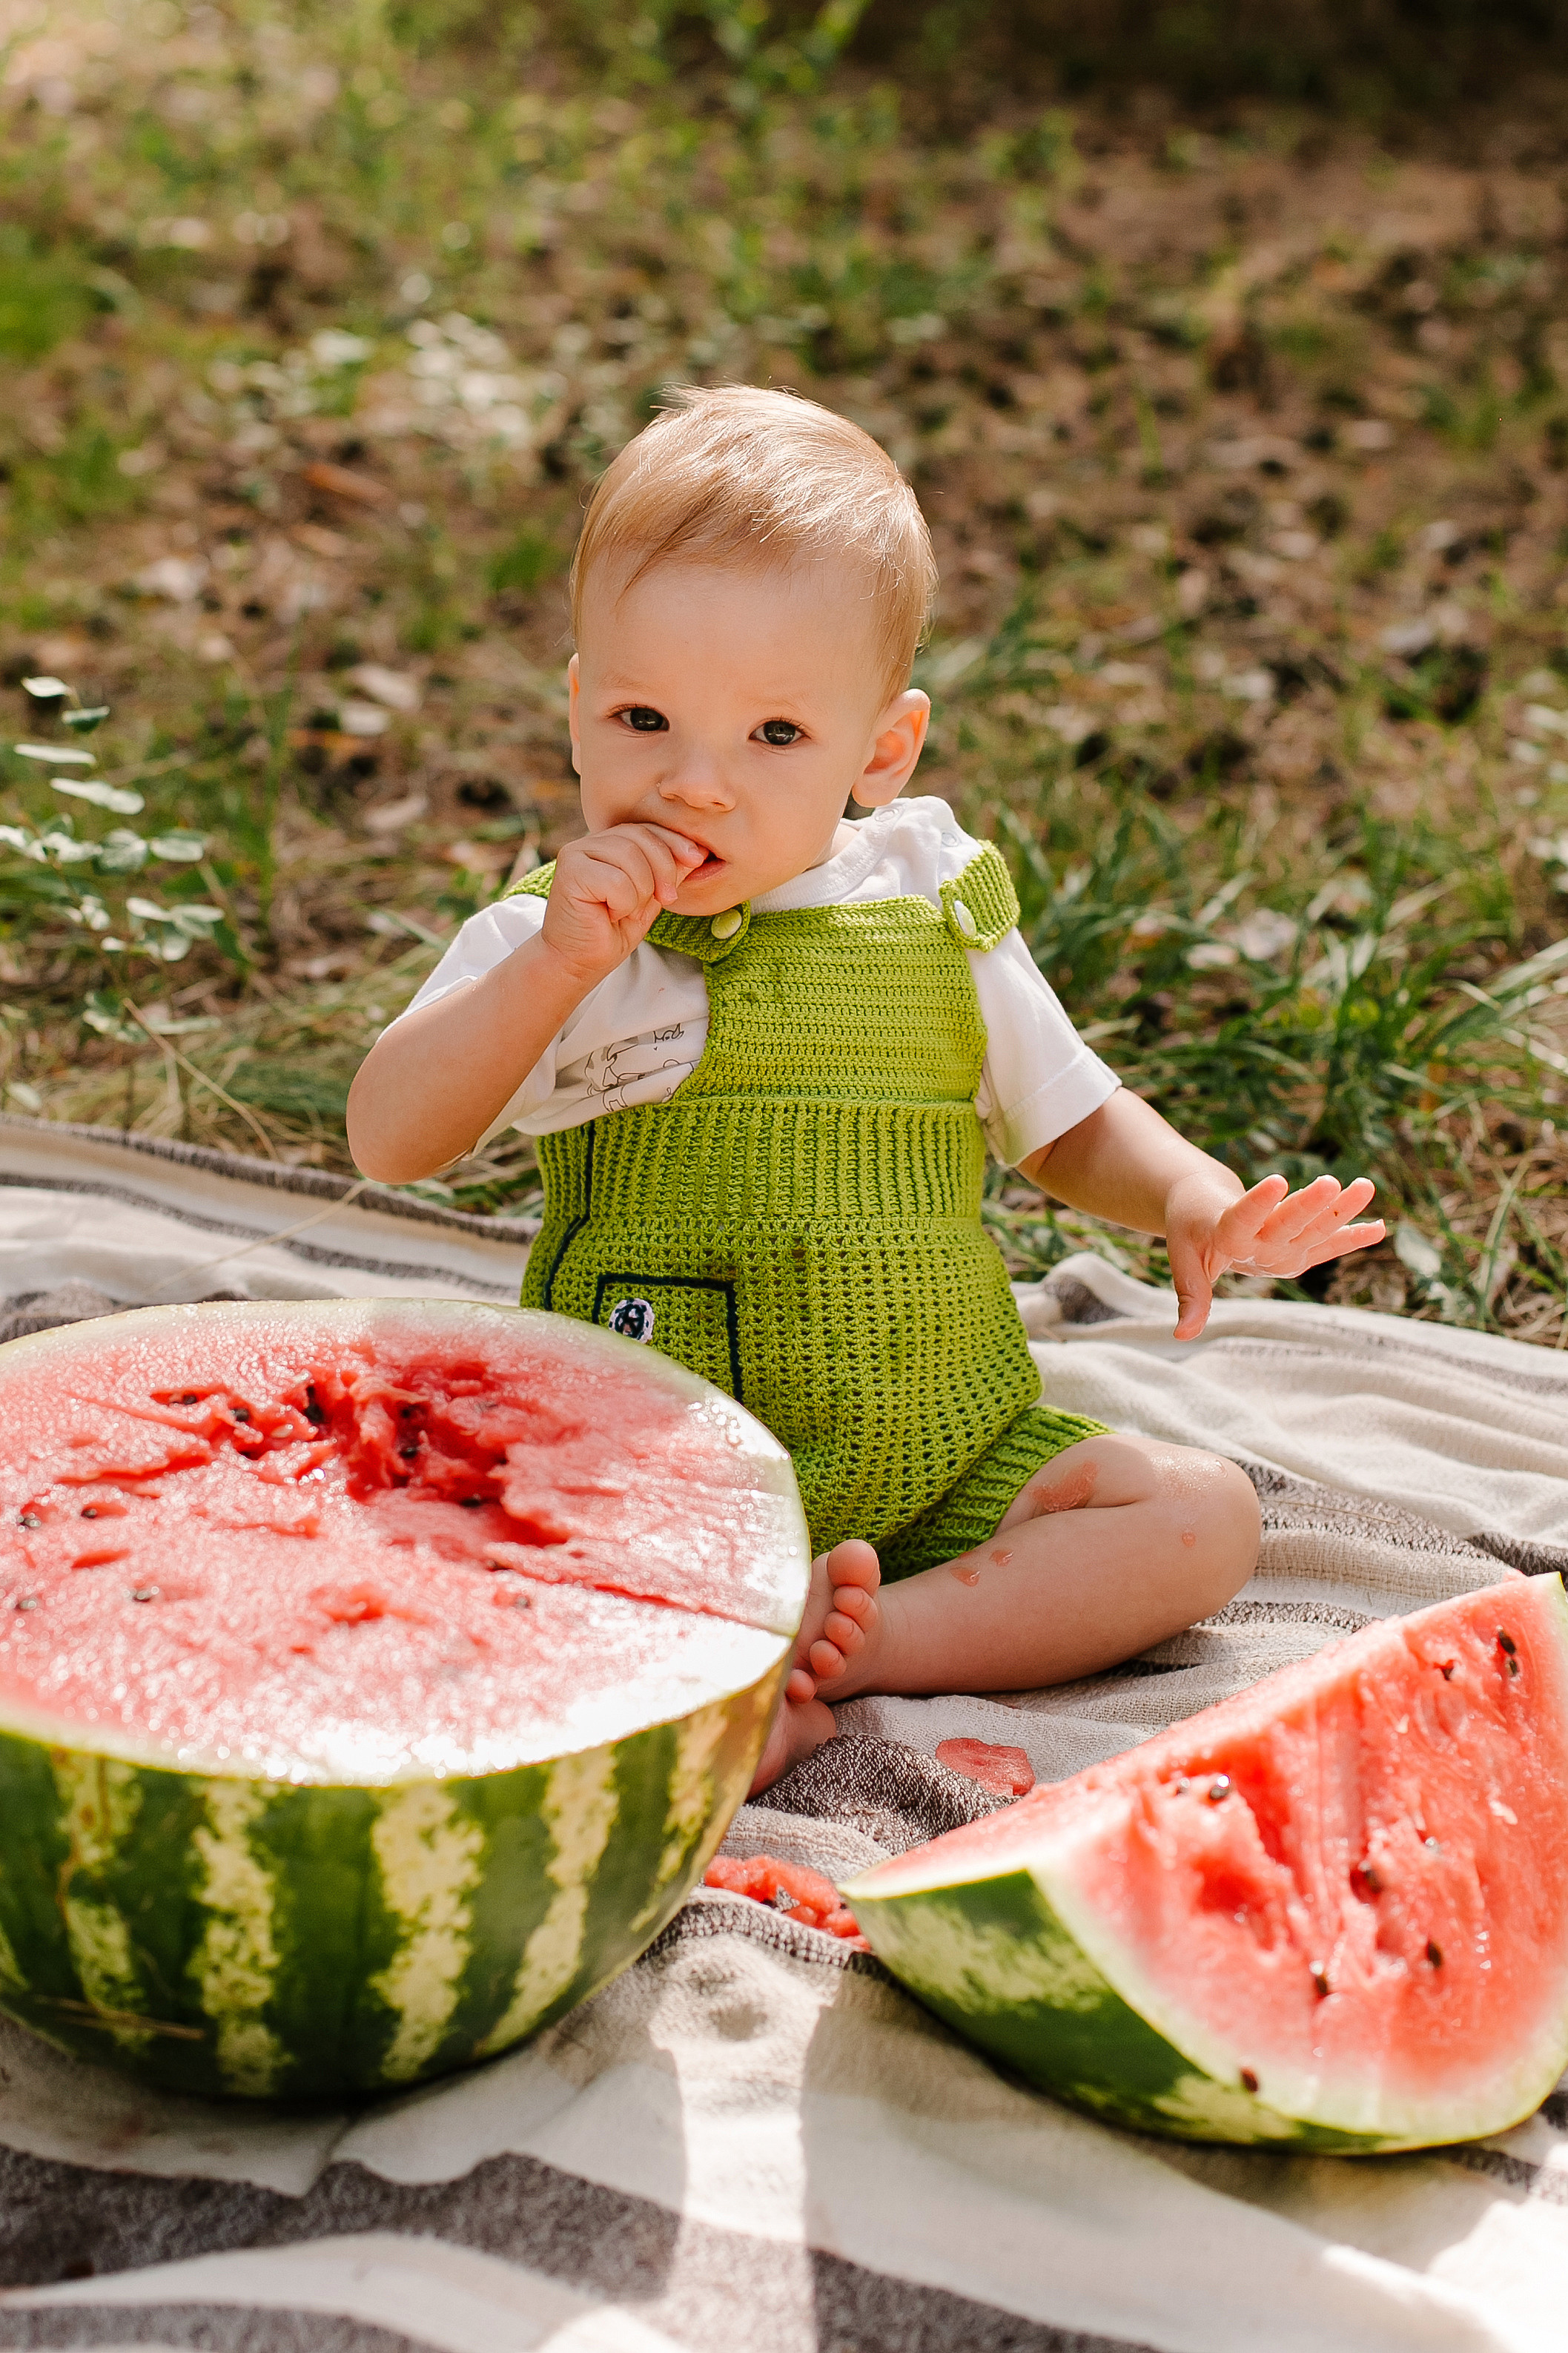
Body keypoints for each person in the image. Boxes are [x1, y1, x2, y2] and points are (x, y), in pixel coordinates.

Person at [347, 385, 1384, 1791]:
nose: (697, 784)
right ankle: (722, 1659)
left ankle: (882, 1636)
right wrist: (552, 970)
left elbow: (1066, 1118)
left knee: (1200, 1517)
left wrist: (1189, 1196)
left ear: (879, 752)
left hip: (945, 1454)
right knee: (464, 1537)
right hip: (658, 1461)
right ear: (580, 714)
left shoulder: (935, 900)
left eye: (774, 735)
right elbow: (390, 1138)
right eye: (647, 718)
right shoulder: (564, 939)